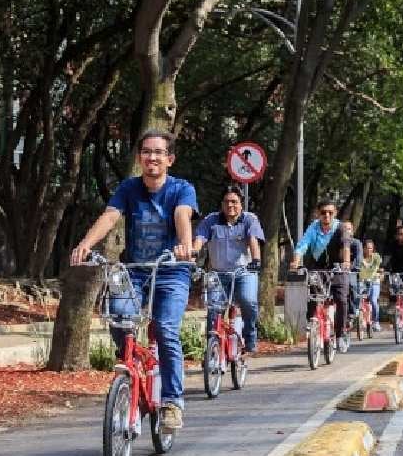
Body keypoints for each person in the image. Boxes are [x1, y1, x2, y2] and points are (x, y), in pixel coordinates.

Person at [70, 129, 197, 431]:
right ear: (140, 157)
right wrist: (86, 243)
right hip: (135, 270)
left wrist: (184, 246)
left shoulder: (182, 189)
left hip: (171, 271)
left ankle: (171, 402)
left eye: (158, 152)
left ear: (170, 159)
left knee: (166, 329)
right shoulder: (129, 188)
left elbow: (182, 215)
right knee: (119, 319)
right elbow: (111, 216)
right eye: (146, 152)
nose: (152, 157)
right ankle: (129, 362)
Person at [193, 185, 264, 354]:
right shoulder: (211, 220)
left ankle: (250, 334)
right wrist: (192, 256)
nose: (230, 205)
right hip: (218, 274)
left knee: (248, 301)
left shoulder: (249, 219)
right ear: (221, 204)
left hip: (243, 272)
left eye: (234, 201)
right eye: (227, 202)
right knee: (214, 309)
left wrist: (256, 260)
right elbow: (200, 239)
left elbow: (253, 240)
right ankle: (213, 349)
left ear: (241, 204)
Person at [289, 199, 351, 340]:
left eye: (330, 212)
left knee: (341, 299)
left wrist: (346, 262)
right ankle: (312, 324)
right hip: (318, 268)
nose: (327, 216)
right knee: (313, 296)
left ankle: (340, 334)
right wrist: (295, 262)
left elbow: (346, 246)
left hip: (338, 268)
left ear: (335, 213)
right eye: (323, 213)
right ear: (318, 214)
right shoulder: (313, 227)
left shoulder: (341, 228)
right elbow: (303, 245)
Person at [359, 239, 383, 331]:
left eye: (371, 248)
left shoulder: (376, 257)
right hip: (363, 282)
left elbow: (379, 268)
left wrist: (379, 273)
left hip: (374, 282)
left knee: (373, 300)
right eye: (367, 248)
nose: (369, 250)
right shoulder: (360, 258)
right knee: (360, 300)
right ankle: (361, 319)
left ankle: (376, 322)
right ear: (363, 249)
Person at [343, 221, 364, 322]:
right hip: (338, 271)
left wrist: (352, 267)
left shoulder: (356, 243)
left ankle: (352, 311)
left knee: (352, 286)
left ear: (352, 231)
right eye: (344, 229)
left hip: (351, 271)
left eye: (349, 229)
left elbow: (358, 258)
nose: (346, 231)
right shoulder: (337, 242)